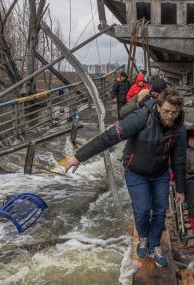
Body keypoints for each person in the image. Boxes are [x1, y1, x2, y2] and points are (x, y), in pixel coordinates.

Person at [64, 87, 186, 268]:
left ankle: (154, 246)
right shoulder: (141, 118)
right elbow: (109, 137)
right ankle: (143, 238)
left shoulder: (179, 129)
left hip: (160, 173)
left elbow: (179, 158)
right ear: (159, 107)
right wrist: (79, 156)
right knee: (143, 209)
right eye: (166, 111)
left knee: (160, 211)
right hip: (136, 172)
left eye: (174, 113)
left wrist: (181, 189)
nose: (170, 116)